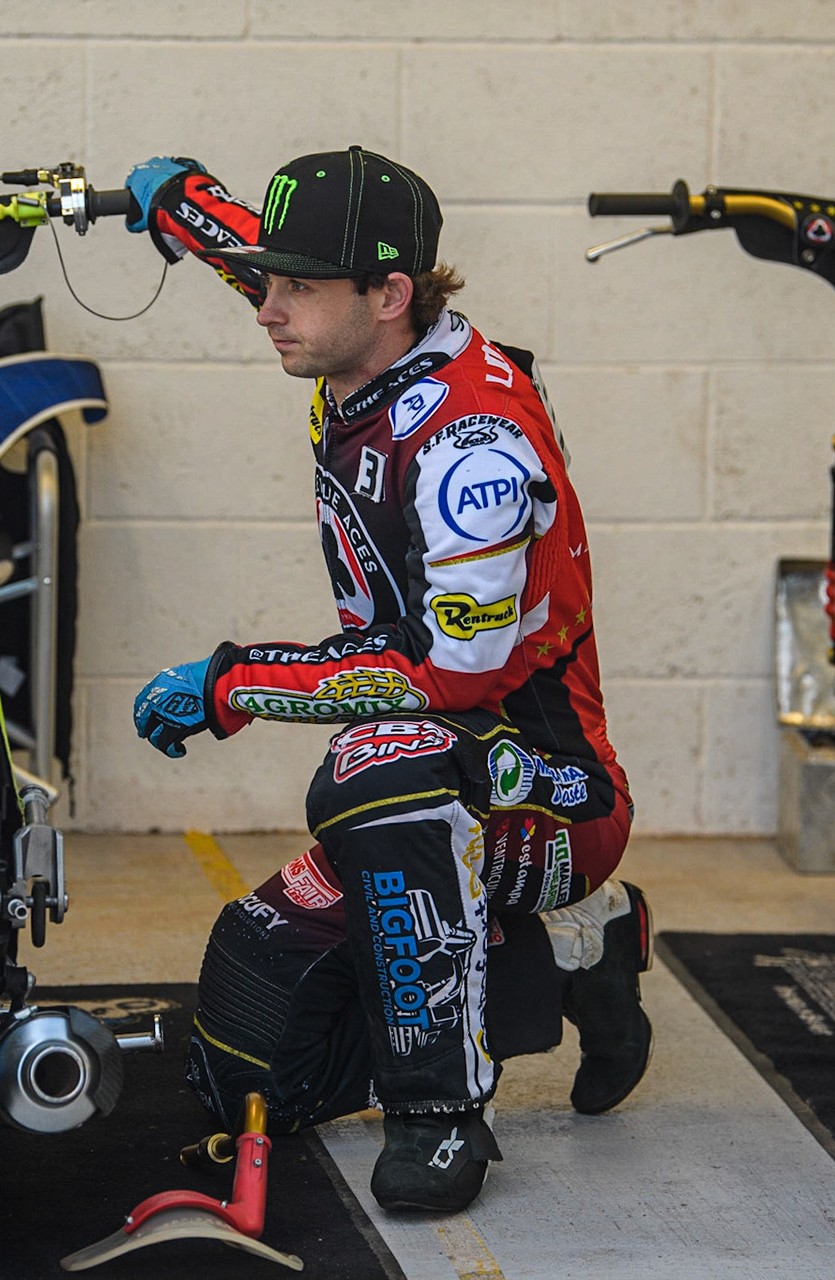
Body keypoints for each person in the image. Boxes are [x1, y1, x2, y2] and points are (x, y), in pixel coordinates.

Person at [121, 148, 651, 1214]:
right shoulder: (358, 332)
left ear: (390, 294)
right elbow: (261, 261)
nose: (268, 306)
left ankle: (440, 1111)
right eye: (266, 280)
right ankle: (588, 944)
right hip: (448, 774)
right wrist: (179, 203)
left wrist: (232, 685)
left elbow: (448, 674)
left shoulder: (473, 446)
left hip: (550, 788)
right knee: (250, 1053)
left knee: (375, 770)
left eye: (296, 287)